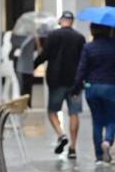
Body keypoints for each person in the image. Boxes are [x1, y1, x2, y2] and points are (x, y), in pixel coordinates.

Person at [35, 11, 86, 158]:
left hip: (56, 81)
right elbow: (84, 60)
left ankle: (61, 134)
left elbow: (44, 56)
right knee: (74, 113)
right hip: (75, 82)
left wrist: (33, 65)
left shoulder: (52, 36)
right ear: (72, 21)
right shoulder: (80, 38)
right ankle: (73, 147)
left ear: (61, 21)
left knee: (52, 111)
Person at [74, 24, 115, 164]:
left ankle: (98, 156)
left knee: (97, 122)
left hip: (92, 87)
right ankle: (108, 141)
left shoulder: (88, 47)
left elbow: (81, 70)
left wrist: (76, 89)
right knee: (111, 119)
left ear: (92, 31)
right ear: (109, 30)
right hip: (110, 86)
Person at [11, 33, 39, 106]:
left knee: (25, 86)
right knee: (22, 86)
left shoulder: (31, 37)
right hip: (22, 66)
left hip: (26, 66)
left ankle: (26, 104)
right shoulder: (20, 38)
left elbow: (38, 50)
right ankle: (24, 104)